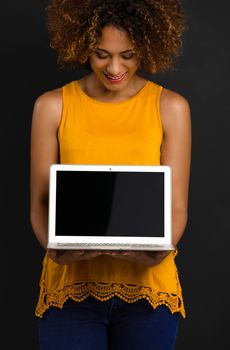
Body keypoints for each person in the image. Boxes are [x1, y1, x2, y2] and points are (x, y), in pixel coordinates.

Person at [30, 0, 191, 349]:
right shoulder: (52, 105)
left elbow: (176, 205)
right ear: (83, 44)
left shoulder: (171, 107)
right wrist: (55, 249)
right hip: (71, 291)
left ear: (147, 47)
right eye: (101, 54)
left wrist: (158, 251)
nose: (114, 67)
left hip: (148, 293)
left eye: (128, 55)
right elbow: (40, 202)